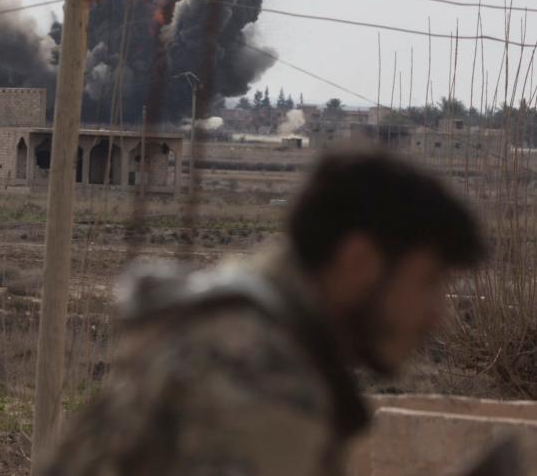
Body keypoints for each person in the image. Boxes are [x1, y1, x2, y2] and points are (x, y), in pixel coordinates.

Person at [42, 149, 486, 476]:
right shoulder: (263, 378)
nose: (436, 316)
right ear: (358, 262)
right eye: (428, 283)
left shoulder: (230, 324)